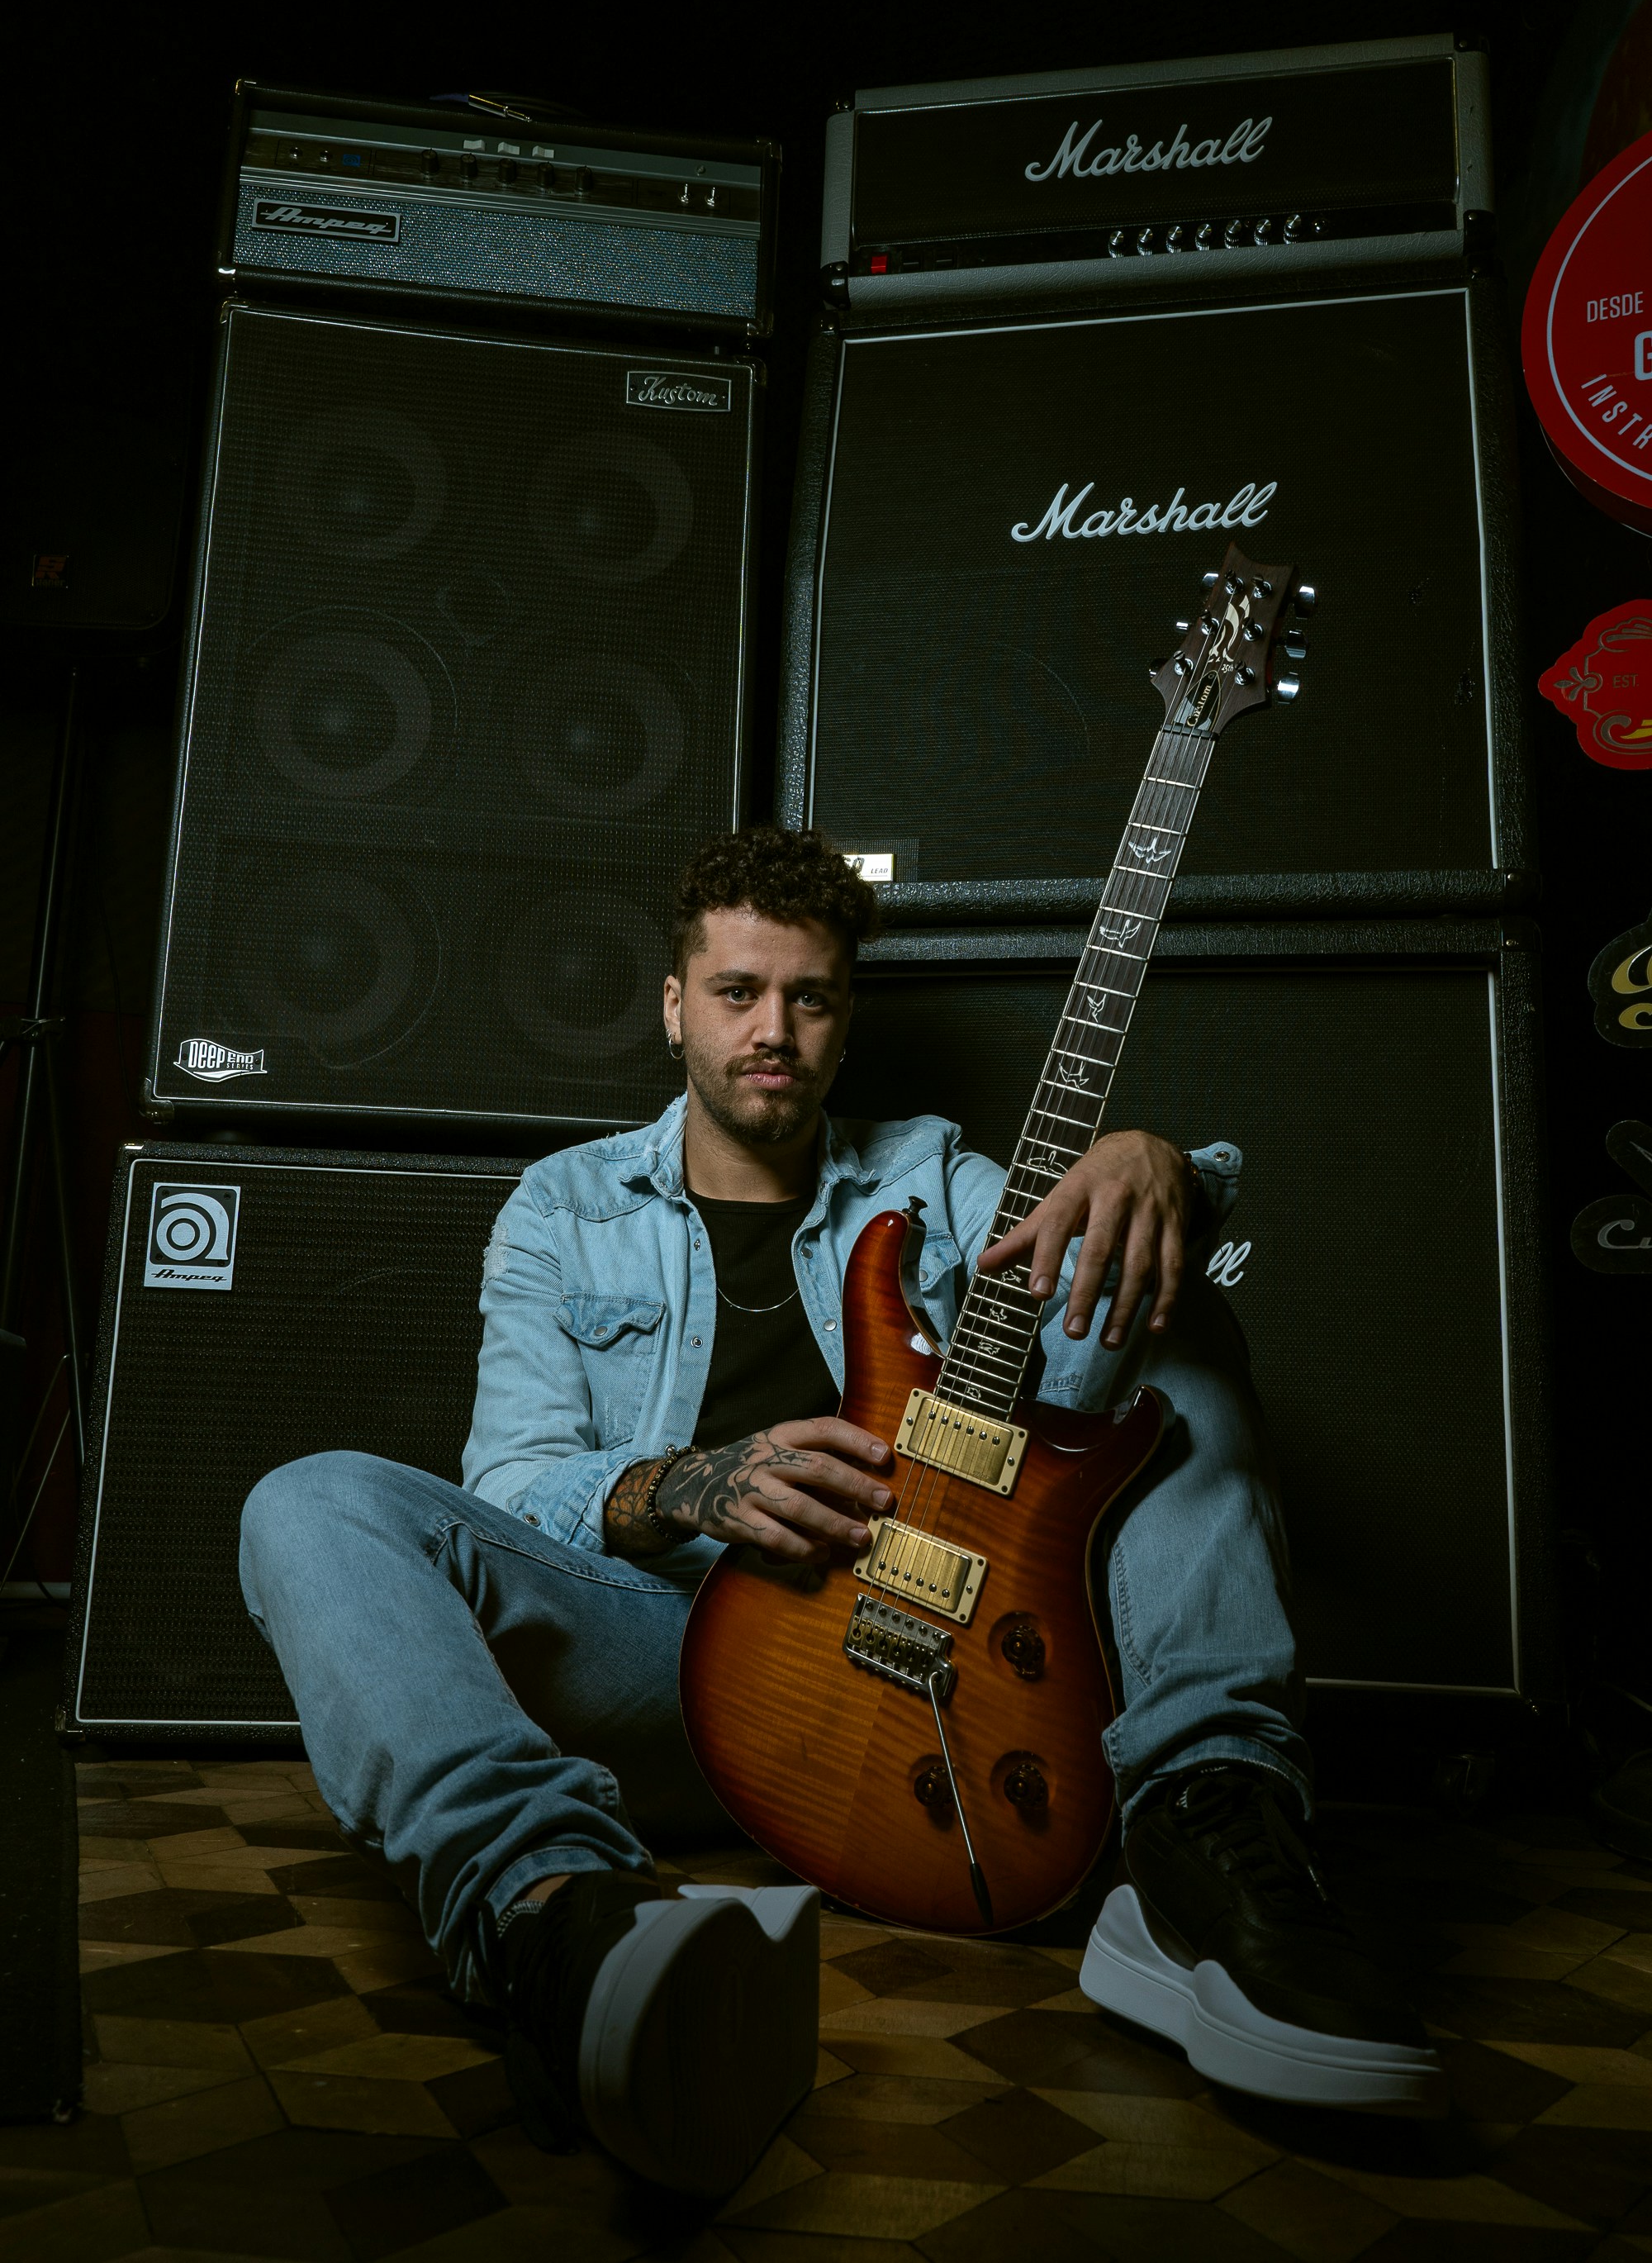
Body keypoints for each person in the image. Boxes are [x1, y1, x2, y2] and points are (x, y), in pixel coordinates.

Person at [240, 826, 1440, 2196]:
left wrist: (1167, 1165)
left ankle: (1208, 1837)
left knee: (1159, 1312)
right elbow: (509, 1489)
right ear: (675, 1006)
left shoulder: (931, 1176)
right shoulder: (563, 1210)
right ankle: (558, 1923)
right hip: (669, 1666)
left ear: (845, 1017)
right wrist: (692, 1482)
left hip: (959, 1683)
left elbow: (1097, 1301)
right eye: (740, 992)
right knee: (308, 1501)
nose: (775, 1031)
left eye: (809, 999)